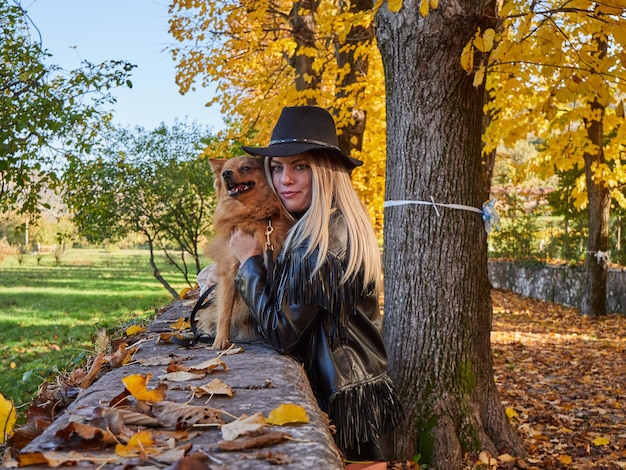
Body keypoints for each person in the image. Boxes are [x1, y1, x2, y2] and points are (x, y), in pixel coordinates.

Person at [229, 106, 404, 465]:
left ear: (325, 172)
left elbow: (282, 332)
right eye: (277, 168)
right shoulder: (327, 226)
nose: (285, 180)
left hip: (344, 406)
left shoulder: (321, 242)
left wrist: (248, 265)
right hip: (355, 395)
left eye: (300, 166)